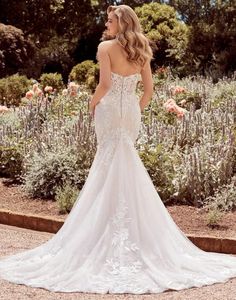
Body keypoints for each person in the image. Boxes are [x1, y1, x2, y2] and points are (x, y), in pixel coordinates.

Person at [0, 4, 236, 295]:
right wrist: (133, 111)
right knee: (126, 165)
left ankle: (100, 232)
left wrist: (92, 104)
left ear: (121, 23)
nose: (106, 25)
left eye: (110, 20)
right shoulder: (142, 48)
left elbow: (105, 84)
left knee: (107, 165)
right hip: (129, 116)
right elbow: (148, 92)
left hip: (110, 111)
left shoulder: (105, 48)